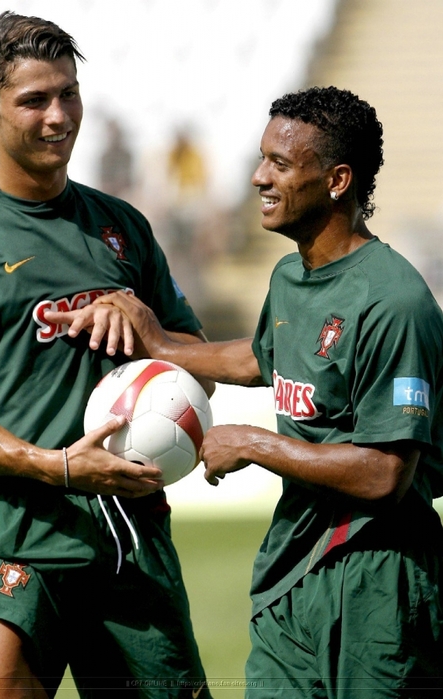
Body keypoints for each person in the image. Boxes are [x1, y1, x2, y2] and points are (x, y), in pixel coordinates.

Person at [56, 86, 443, 697]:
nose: (260, 177)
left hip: (377, 576)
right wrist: (163, 343)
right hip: (294, 570)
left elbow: (385, 474)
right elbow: (263, 355)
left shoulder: (394, 302)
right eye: (262, 159)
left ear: (337, 179)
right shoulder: (292, 276)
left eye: (280, 165)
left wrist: (256, 444)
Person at [0, 10, 214, 699]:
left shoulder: (121, 227)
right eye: (34, 99)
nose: (58, 116)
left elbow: (197, 361)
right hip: (16, 530)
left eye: (68, 93)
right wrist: (56, 464)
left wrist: (149, 328)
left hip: (131, 535)